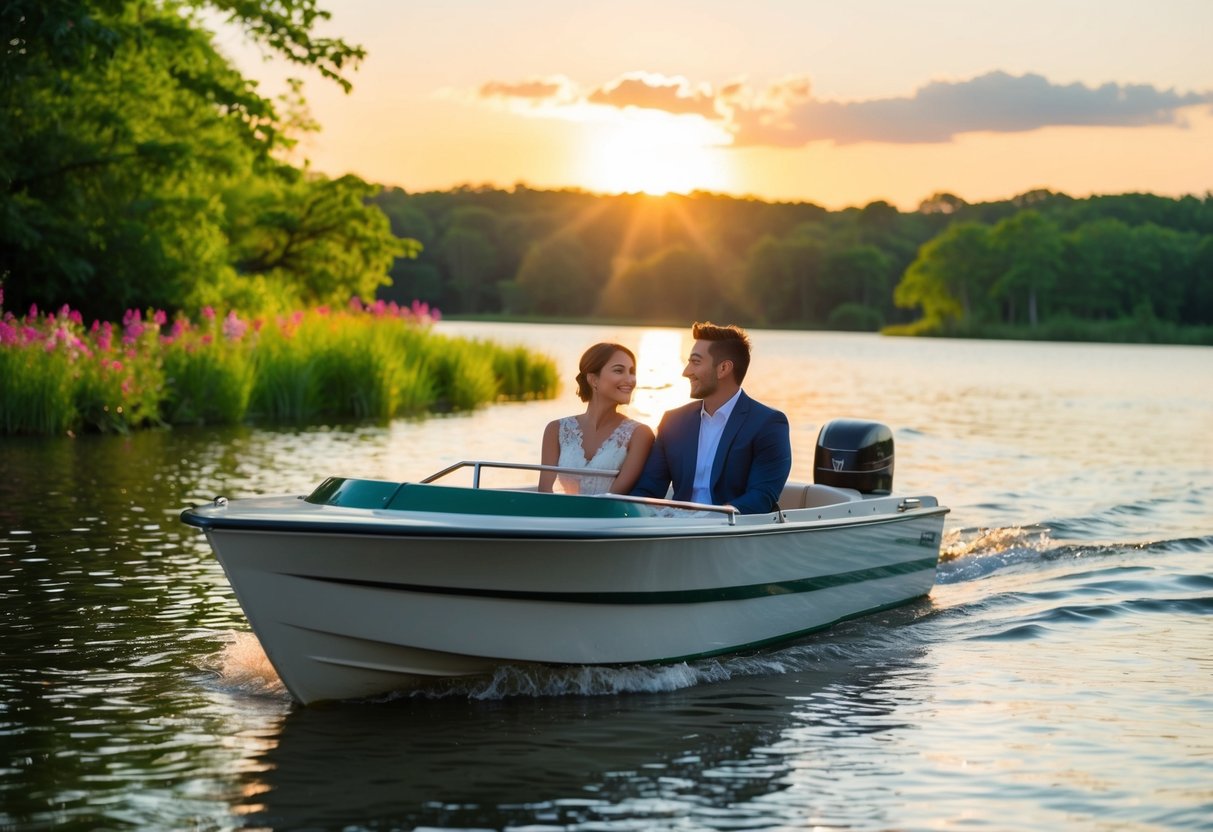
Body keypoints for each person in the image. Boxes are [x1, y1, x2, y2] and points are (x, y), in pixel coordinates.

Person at [629, 322, 791, 514]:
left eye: (695, 362)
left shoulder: (768, 424)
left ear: (723, 368)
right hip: (675, 531)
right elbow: (648, 489)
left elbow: (761, 497)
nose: (686, 371)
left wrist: (709, 519)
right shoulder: (673, 421)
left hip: (731, 534)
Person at [538, 343, 655, 495]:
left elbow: (614, 497)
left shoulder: (640, 434)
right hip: (562, 515)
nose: (630, 379)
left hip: (609, 516)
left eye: (632, 372)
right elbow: (544, 492)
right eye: (619, 370)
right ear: (593, 380)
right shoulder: (556, 429)